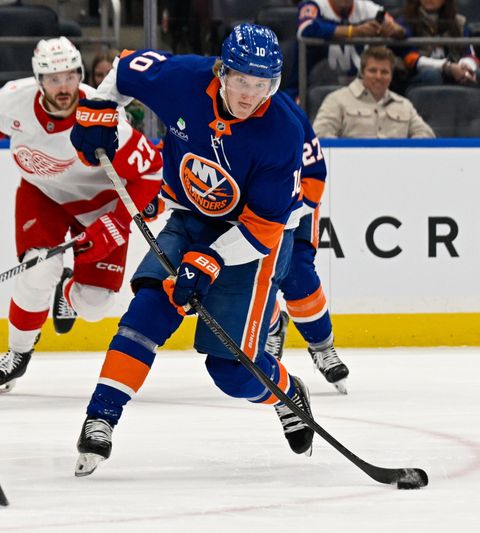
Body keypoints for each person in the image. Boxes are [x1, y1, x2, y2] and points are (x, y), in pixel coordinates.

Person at [69, 24, 315, 477]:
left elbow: (262, 228)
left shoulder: (282, 130)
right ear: (222, 71)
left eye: (262, 85)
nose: (250, 95)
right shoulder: (182, 78)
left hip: (252, 243)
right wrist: (98, 110)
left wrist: (209, 260)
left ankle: (287, 392)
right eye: (242, 80)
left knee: (232, 373)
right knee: (147, 311)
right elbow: (124, 70)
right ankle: (101, 417)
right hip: (189, 217)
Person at [0, 36, 163, 395]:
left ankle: (67, 295)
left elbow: (150, 173)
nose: (63, 87)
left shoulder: (103, 116)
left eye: (70, 77)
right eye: (54, 79)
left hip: (100, 205)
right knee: (39, 269)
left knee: (95, 305)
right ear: (39, 81)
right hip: (44, 194)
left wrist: (116, 224)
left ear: (80, 75)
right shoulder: (15, 101)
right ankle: (16, 353)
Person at [266, 90, 350, 395]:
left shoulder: (285, 109)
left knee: (297, 270)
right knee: (245, 275)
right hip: (241, 206)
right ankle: (272, 325)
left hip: (294, 201)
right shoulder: (211, 108)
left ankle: (321, 345)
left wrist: (297, 212)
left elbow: (313, 169)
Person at [313, 45, 436, 138]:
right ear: (362, 72)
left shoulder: (404, 105)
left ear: (391, 75)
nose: (378, 76)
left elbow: (427, 135)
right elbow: (320, 134)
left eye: (384, 72)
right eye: (372, 71)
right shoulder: (337, 99)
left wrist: (404, 152)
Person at [288, 0, 405, 95]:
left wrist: (395, 31)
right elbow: (306, 29)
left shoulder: (369, 8)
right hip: (317, 84)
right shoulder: (314, 5)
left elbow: (401, 29)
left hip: (361, 85)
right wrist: (352, 31)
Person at [398, 0, 479, 87]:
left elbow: (470, 54)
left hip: (455, 69)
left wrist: (466, 67)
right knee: (432, 75)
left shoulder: (458, 22)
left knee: (476, 74)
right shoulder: (405, 22)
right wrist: (447, 67)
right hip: (419, 74)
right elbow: (409, 58)